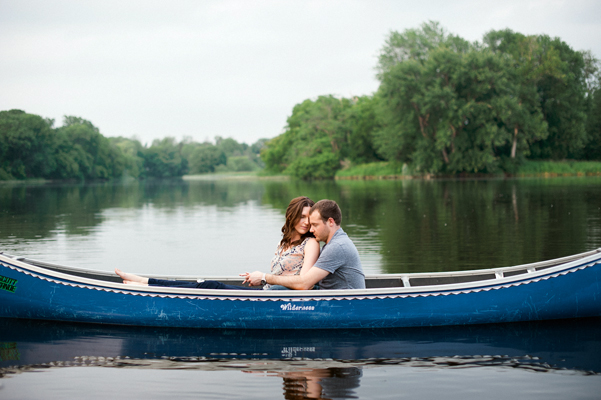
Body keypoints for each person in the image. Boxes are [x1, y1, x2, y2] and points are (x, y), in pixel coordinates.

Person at [115, 196, 320, 290]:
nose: (306, 222)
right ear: (291, 217)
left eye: (309, 217)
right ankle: (145, 282)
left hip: (279, 300)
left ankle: (144, 284)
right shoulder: (283, 241)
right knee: (204, 283)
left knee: (210, 285)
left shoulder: (310, 244)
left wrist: (265, 278)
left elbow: (304, 285)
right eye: (302, 216)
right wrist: (260, 279)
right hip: (267, 292)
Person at [241, 199, 365, 290]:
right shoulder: (334, 243)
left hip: (346, 305)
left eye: (315, 225)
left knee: (277, 291)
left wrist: (264, 277)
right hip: (327, 301)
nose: (310, 229)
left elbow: (305, 283)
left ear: (330, 222)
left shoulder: (337, 246)